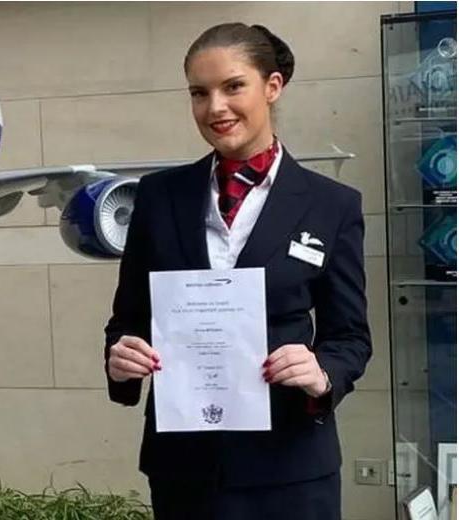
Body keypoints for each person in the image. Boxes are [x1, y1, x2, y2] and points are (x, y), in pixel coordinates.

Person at [102, 23, 371, 520]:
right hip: (185, 470)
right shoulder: (159, 198)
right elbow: (129, 319)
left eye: (233, 87)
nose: (215, 108)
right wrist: (121, 359)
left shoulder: (331, 205)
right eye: (199, 93)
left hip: (291, 468)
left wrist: (323, 372)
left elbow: (350, 336)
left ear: (272, 86)